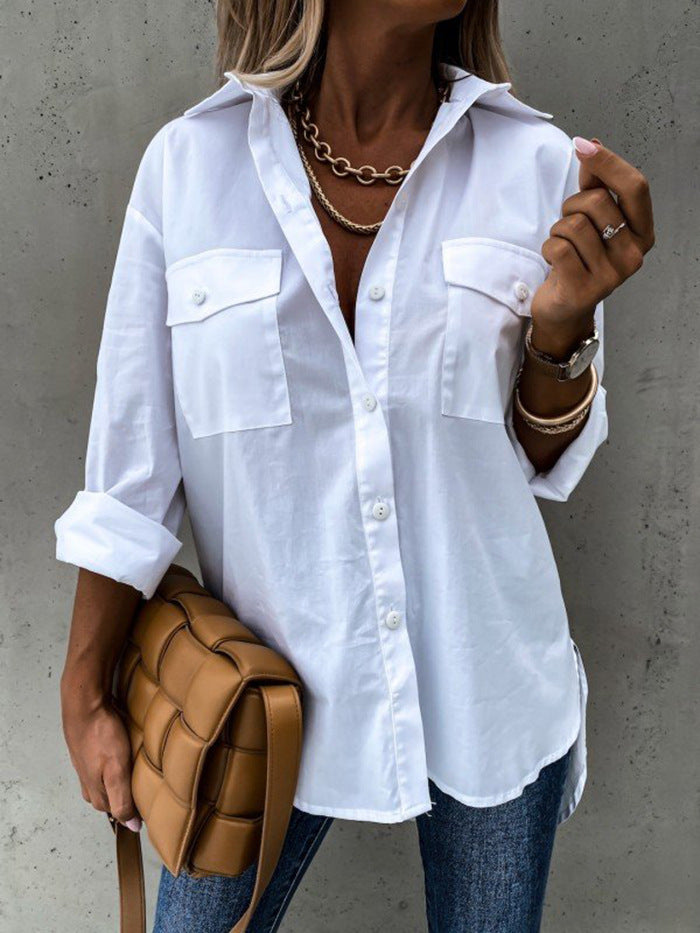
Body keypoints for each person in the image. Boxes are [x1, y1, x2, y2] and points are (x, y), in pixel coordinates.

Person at [55, 1, 655, 930]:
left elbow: (541, 453)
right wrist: (84, 687)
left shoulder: (535, 164)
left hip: (488, 686)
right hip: (259, 709)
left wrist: (562, 330)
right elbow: (131, 470)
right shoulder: (190, 169)